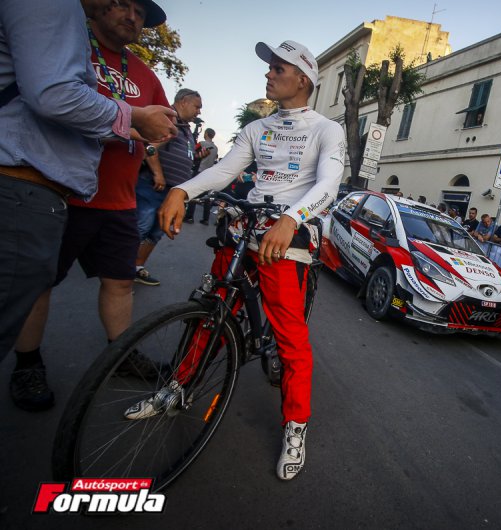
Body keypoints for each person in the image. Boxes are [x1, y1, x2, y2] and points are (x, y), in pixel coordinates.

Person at [154, 39, 345, 481]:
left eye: (278, 68)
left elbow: (329, 184)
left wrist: (293, 218)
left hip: (285, 239)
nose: (268, 74)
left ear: (303, 79)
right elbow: (224, 171)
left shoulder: (326, 129)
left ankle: (296, 426)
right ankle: (176, 388)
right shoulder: (258, 128)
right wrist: (182, 190)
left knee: (292, 341)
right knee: (210, 314)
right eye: (269, 67)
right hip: (245, 229)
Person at [9, 0, 172, 411]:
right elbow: (53, 99)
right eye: (122, 4)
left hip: (120, 201)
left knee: (120, 281)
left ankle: (120, 353)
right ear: (96, 8)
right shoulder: (69, 45)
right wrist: (126, 124)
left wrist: (152, 135)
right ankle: (27, 363)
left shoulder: (146, 74)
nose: (131, 16)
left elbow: (161, 125)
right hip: (63, 193)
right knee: (38, 283)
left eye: (140, 12)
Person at [134, 88, 204, 286]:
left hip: (171, 191)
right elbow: (150, 147)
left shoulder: (186, 128)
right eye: (197, 106)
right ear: (183, 101)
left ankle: (136, 268)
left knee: (156, 232)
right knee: (140, 228)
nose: (199, 111)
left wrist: (197, 157)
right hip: (153, 187)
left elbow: (182, 154)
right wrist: (157, 173)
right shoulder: (168, 120)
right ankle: (119, 274)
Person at [184, 127, 218, 225]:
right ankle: (206, 219)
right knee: (207, 196)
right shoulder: (216, 148)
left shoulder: (202, 143)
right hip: (209, 174)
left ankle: (189, 217)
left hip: (199, 171)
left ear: (206, 134)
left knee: (193, 193)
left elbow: (191, 151)